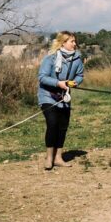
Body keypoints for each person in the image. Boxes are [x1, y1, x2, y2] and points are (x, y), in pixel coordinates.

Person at [37, 31, 85, 170]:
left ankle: (58, 158)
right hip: (47, 95)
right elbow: (42, 77)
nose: (75, 44)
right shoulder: (50, 58)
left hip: (64, 97)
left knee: (63, 126)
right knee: (52, 123)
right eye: (72, 41)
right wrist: (58, 83)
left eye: (74, 41)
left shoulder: (77, 59)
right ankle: (49, 158)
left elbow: (80, 75)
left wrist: (75, 82)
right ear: (63, 43)